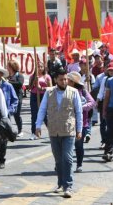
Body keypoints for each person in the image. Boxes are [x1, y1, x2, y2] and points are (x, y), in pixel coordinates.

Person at [35, 68, 83, 198]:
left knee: (67, 159)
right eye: (61, 79)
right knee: (58, 160)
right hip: (54, 131)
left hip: (69, 131)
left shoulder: (74, 92)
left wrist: (79, 130)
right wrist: (38, 125)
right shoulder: (49, 92)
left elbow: (79, 112)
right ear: (55, 80)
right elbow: (42, 109)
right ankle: (61, 183)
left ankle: (68, 186)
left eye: (65, 79)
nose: (64, 81)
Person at [67, 72, 95, 173]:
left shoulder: (82, 91)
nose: (66, 81)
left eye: (68, 80)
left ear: (73, 82)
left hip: (81, 123)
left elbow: (92, 102)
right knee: (66, 145)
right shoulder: (64, 90)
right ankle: (64, 164)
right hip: (66, 123)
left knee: (78, 145)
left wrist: (81, 107)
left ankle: (79, 164)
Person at [0, 64, 18, 168]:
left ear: (2, 74)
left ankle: (1, 159)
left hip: (4, 115)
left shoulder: (8, 86)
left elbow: (15, 100)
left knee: (3, 139)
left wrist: (9, 111)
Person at [28, 62, 52, 140]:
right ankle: (34, 132)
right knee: (34, 114)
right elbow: (30, 87)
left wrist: (41, 88)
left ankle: (51, 131)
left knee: (45, 114)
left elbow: (51, 88)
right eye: (38, 66)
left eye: (41, 67)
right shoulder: (32, 76)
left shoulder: (47, 77)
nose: (40, 68)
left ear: (43, 68)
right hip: (34, 96)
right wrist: (35, 82)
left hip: (43, 96)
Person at [97, 63, 113, 149]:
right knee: (103, 123)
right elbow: (101, 91)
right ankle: (104, 141)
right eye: (110, 70)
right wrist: (97, 100)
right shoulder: (105, 79)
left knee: (112, 124)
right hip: (104, 102)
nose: (111, 72)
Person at [7, 60, 24, 137]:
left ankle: (20, 130)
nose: (7, 68)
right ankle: (8, 130)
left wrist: (9, 82)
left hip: (17, 97)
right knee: (7, 114)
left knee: (17, 114)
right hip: (8, 97)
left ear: (12, 67)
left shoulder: (19, 75)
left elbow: (20, 84)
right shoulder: (7, 76)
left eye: (8, 66)